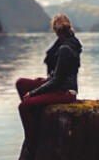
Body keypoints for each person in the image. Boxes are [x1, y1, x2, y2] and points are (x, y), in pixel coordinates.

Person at [15, 14, 82, 146]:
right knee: (21, 83)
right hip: (59, 85)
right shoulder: (70, 41)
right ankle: (34, 122)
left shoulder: (64, 48)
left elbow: (58, 80)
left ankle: (32, 143)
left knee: (24, 106)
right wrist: (46, 79)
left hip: (65, 92)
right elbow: (61, 73)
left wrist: (33, 93)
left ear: (55, 30)